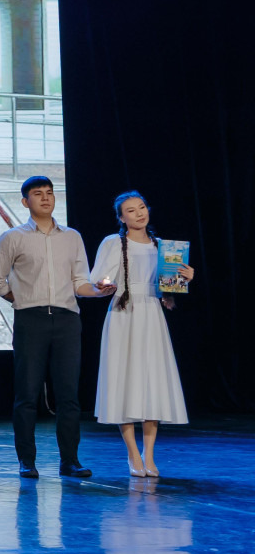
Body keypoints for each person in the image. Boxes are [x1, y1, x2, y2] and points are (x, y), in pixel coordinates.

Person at [0, 175, 117, 479]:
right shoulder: (13, 237)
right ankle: (27, 461)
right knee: (27, 394)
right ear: (25, 201)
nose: (46, 198)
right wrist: (21, 299)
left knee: (68, 394)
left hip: (67, 319)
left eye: (49, 192)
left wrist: (98, 291)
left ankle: (69, 460)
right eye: (38, 193)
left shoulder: (71, 237)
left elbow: (80, 282)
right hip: (30, 319)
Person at [90, 191, 192, 477]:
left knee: (151, 382)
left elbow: (168, 292)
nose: (139, 213)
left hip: (152, 316)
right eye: (131, 210)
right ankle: (133, 454)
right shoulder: (113, 242)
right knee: (124, 381)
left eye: (142, 207)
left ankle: (149, 454)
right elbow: (97, 278)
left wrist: (183, 279)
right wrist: (103, 285)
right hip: (124, 314)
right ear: (122, 218)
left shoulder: (163, 247)